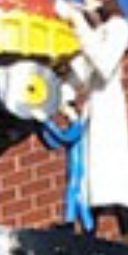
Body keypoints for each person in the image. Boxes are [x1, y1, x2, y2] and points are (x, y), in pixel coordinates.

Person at [56, 0, 128, 239]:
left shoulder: (118, 28)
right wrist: (65, 97)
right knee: (88, 171)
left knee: (112, 167)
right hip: (93, 107)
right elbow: (81, 72)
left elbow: (103, 64)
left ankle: (126, 230)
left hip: (110, 107)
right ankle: (88, 227)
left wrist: (80, 24)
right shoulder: (94, 35)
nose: (88, 4)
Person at [37, 86, 93, 233]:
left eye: (66, 110)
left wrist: (47, 124)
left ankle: (69, 222)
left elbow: (65, 138)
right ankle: (88, 226)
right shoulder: (73, 127)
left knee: (71, 193)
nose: (64, 114)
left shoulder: (78, 126)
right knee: (79, 199)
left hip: (77, 169)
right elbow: (54, 143)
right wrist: (41, 127)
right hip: (72, 168)